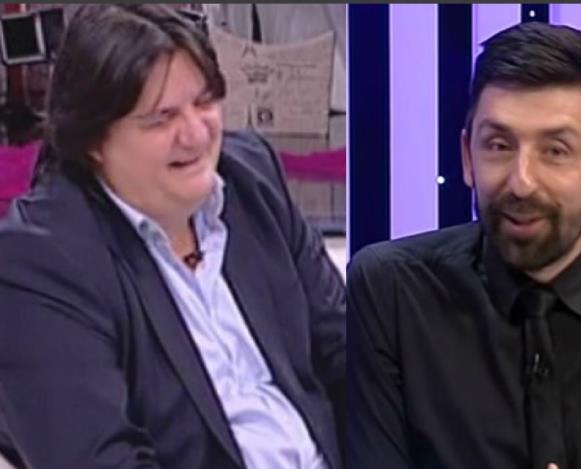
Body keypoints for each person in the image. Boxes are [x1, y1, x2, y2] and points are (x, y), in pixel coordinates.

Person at [0, 5, 345, 469]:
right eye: (161, 118)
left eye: (204, 102)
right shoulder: (41, 262)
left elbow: (351, 355)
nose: (196, 134)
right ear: (94, 140)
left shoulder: (251, 181)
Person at [347, 21, 581, 469]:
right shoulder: (393, 291)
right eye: (499, 145)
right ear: (467, 157)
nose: (521, 182)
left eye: (555, 151)